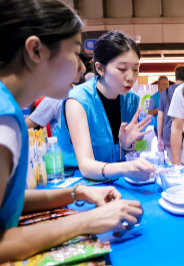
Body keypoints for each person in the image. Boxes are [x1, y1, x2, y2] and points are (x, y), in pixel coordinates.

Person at [0, 0, 152, 262]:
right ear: (35, 50)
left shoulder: (8, 112)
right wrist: (88, 220)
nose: (82, 68)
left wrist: (78, 193)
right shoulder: (5, 121)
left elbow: (10, 202)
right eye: (74, 53)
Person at [54, 31, 155, 181]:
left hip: (114, 177)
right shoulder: (78, 101)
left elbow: (124, 153)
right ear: (100, 68)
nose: (131, 77)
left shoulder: (131, 99)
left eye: (135, 69)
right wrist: (126, 167)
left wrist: (127, 145)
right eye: (122, 69)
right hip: (76, 179)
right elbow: (86, 166)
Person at [157, 66, 184, 162]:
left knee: (174, 163)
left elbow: (160, 117)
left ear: (175, 77)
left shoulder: (165, 92)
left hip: (168, 133)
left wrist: (160, 138)